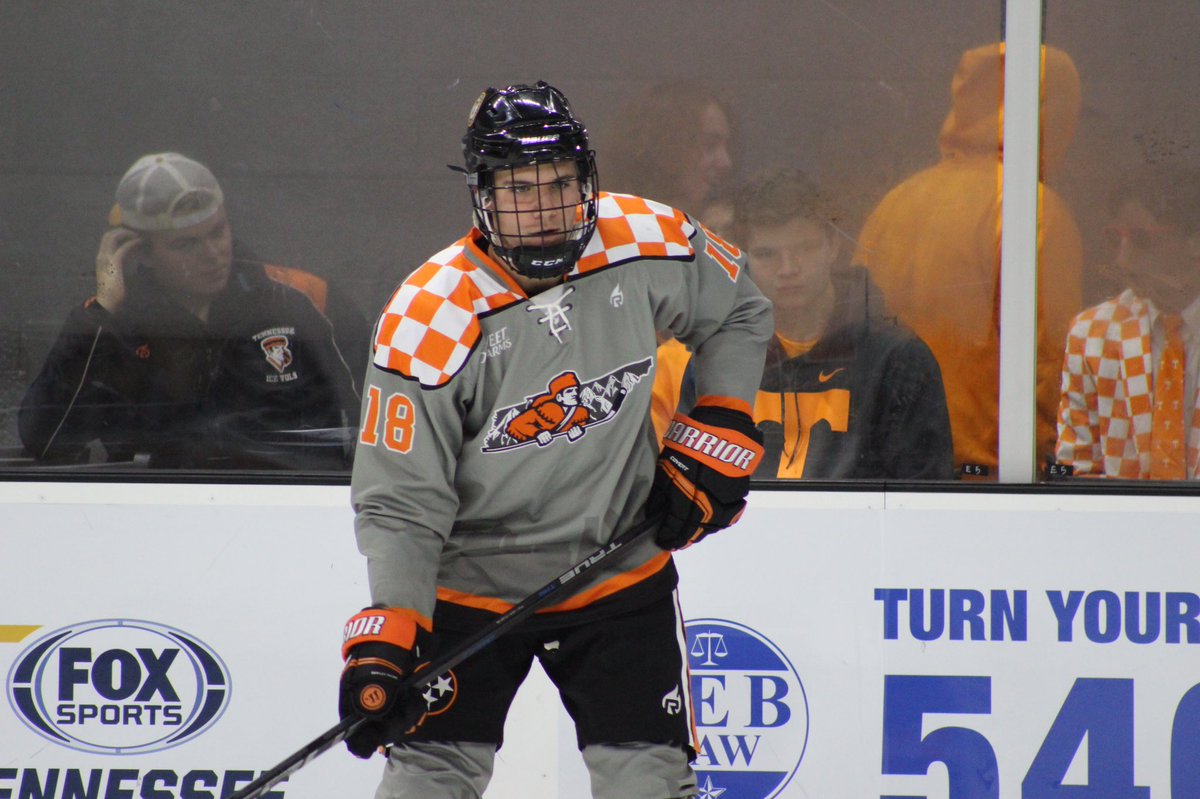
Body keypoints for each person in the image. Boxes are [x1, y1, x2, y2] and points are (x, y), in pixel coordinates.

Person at [339, 82, 772, 799]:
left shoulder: (647, 240)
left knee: (651, 782)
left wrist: (721, 419)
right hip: (468, 587)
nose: (542, 210)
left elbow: (741, 309)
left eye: (560, 184)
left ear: (587, 180)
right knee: (431, 777)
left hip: (617, 569)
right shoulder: (431, 315)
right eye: (518, 188)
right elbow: (399, 501)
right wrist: (395, 624)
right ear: (481, 195)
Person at [18, 152, 362, 469]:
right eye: (187, 243)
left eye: (218, 232)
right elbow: (45, 440)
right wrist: (103, 311)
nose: (213, 254)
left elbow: (374, 426)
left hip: (298, 510)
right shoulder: (114, 327)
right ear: (142, 253)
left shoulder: (302, 299)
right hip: (159, 516)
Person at [854, 43, 1085, 477]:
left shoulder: (895, 203)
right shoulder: (1031, 210)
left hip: (884, 469)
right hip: (987, 479)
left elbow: (852, 336)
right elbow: (1051, 361)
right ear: (1050, 115)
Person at [736, 167, 954, 479]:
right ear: (743, 259)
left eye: (804, 248)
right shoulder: (720, 356)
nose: (787, 268)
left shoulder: (896, 360)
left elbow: (920, 502)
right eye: (767, 254)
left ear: (834, 247)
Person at [1056, 164, 1200, 480]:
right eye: (1115, 238)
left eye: (1141, 239)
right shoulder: (1093, 333)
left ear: (1195, 242)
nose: (1123, 260)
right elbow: (1076, 472)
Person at [601, 80, 735, 217]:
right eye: (709, 145)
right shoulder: (608, 222)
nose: (726, 162)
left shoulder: (724, 229)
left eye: (728, 147)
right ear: (665, 147)